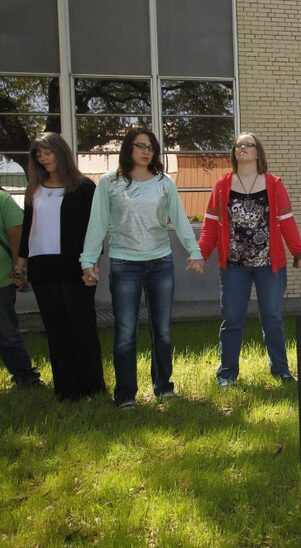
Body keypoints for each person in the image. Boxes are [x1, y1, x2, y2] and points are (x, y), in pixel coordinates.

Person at [80, 128, 205, 408]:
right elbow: (98, 223)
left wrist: (194, 251)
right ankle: (126, 395)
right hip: (125, 264)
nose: (145, 151)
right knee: (125, 332)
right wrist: (88, 260)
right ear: (128, 148)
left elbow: (180, 220)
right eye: (139, 146)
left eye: (150, 147)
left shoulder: (164, 183)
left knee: (162, 331)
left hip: (160, 262)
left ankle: (163, 386)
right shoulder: (109, 183)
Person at [199, 132, 301, 387]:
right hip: (234, 266)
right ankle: (227, 373)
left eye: (248, 144)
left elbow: (286, 222)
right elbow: (210, 225)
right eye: (238, 145)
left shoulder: (274, 184)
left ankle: (281, 370)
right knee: (233, 318)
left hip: (270, 265)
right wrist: (200, 255)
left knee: (272, 317)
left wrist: (298, 251)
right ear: (234, 153)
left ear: (258, 152)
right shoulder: (222, 185)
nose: (243, 148)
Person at [15, 132, 104, 400]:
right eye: (38, 154)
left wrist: (93, 265)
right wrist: (21, 267)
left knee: (82, 327)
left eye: (47, 152)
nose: (42, 158)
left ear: (61, 152)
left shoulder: (84, 187)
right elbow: (29, 228)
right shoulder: (35, 188)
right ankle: (66, 390)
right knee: (55, 330)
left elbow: (95, 230)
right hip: (42, 268)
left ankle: (92, 387)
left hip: (76, 267)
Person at [0, 185, 41, 388]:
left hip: (1, 280)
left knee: (6, 332)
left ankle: (25, 376)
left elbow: (17, 234)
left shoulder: (3, 200)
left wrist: (19, 271)